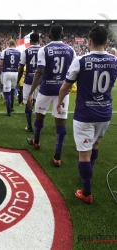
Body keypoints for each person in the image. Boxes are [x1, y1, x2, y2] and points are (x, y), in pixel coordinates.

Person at [57, 25, 117, 203]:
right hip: (105, 113)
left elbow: (65, 86)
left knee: (84, 153)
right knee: (95, 146)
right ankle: (87, 175)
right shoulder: (114, 60)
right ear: (107, 42)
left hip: (85, 114)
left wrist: (60, 102)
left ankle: (87, 192)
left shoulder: (81, 60)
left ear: (89, 41)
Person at [27, 25, 76, 167]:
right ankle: (57, 157)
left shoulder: (44, 49)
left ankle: (36, 141)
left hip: (46, 89)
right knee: (61, 123)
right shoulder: (70, 50)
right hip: (63, 90)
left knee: (40, 115)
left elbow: (40, 71)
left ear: (49, 35)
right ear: (62, 35)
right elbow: (74, 72)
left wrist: (31, 93)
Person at [17, 32, 41, 132]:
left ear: (30, 41)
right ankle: (38, 126)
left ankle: (29, 126)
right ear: (39, 40)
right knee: (38, 103)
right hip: (40, 81)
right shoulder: (43, 50)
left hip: (28, 80)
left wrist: (18, 81)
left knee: (28, 103)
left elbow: (21, 67)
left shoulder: (25, 51)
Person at [0, 39, 21, 116]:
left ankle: (8, 110)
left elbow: (0, 64)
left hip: (7, 72)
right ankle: (12, 107)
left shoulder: (5, 51)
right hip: (15, 72)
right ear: (15, 44)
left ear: (9, 44)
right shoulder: (19, 52)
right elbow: (20, 65)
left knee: (7, 92)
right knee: (13, 90)